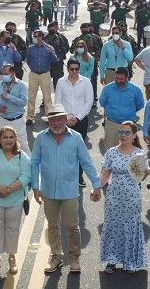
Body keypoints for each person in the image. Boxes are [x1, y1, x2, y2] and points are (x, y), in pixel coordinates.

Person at [31, 104, 102, 274]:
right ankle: (56, 256)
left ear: (65, 120)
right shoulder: (41, 138)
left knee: (72, 226)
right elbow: (34, 162)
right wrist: (35, 187)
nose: (56, 123)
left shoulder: (76, 137)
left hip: (70, 190)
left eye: (59, 119)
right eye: (52, 120)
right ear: (49, 121)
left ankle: (74, 257)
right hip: (48, 190)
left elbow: (86, 161)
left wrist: (96, 184)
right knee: (53, 225)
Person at [99, 121, 149, 273]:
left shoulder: (139, 154)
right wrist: (96, 189)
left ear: (134, 136)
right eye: (121, 132)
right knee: (113, 225)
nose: (123, 135)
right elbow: (105, 174)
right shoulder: (111, 152)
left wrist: (146, 173)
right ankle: (112, 261)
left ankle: (130, 261)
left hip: (132, 196)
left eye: (127, 133)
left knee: (130, 226)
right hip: (114, 195)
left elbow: (140, 178)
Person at [0, 126, 31, 275]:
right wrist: (0, 189)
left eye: (11, 137)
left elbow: (27, 176)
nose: (8, 140)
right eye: (5, 137)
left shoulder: (22, 156)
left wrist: (9, 190)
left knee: (12, 228)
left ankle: (11, 257)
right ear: (0, 139)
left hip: (15, 199)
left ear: (15, 139)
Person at [99, 67, 145, 150]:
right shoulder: (107, 89)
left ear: (127, 77)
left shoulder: (135, 90)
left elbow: (140, 104)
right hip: (112, 124)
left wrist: (128, 112)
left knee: (129, 150)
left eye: (121, 79)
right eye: (116, 78)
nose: (118, 81)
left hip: (129, 125)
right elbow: (102, 103)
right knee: (110, 150)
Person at [0, 63, 30, 152]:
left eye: (6, 74)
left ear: (12, 73)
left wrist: (9, 97)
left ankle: (30, 165)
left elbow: (23, 102)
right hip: (3, 120)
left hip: (17, 120)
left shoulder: (21, 85)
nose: (4, 76)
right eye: (3, 74)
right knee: (3, 146)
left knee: (23, 146)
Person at [24, 30, 57, 126]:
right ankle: (30, 116)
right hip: (34, 74)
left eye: (37, 36)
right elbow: (28, 60)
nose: (35, 38)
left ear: (42, 37)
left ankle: (48, 116)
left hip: (45, 74)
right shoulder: (31, 48)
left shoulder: (49, 48)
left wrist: (51, 53)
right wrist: (33, 68)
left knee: (47, 97)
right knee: (31, 96)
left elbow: (55, 60)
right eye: (34, 36)